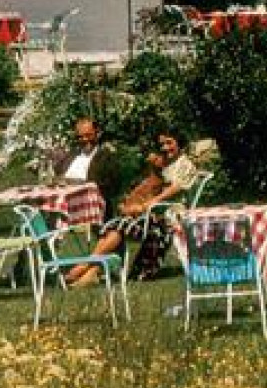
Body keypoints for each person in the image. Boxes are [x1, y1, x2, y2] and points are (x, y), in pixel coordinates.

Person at [69, 131, 199, 287]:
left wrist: (144, 206)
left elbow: (169, 192)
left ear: (180, 144)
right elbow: (149, 187)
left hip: (170, 217)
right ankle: (92, 271)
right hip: (154, 213)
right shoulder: (164, 165)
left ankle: (86, 266)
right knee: (114, 225)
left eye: (169, 143)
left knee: (121, 225)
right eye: (162, 144)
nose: (165, 147)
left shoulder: (186, 165)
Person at [46, 116, 119, 197]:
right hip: (63, 201)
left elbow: (111, 187)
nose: (84, 139)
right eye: (80, 136)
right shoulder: (71, 155)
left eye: (88, 135)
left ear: (97, 134)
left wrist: (77, 183)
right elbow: (56, 176)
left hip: (89, 203)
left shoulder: (106, 157)